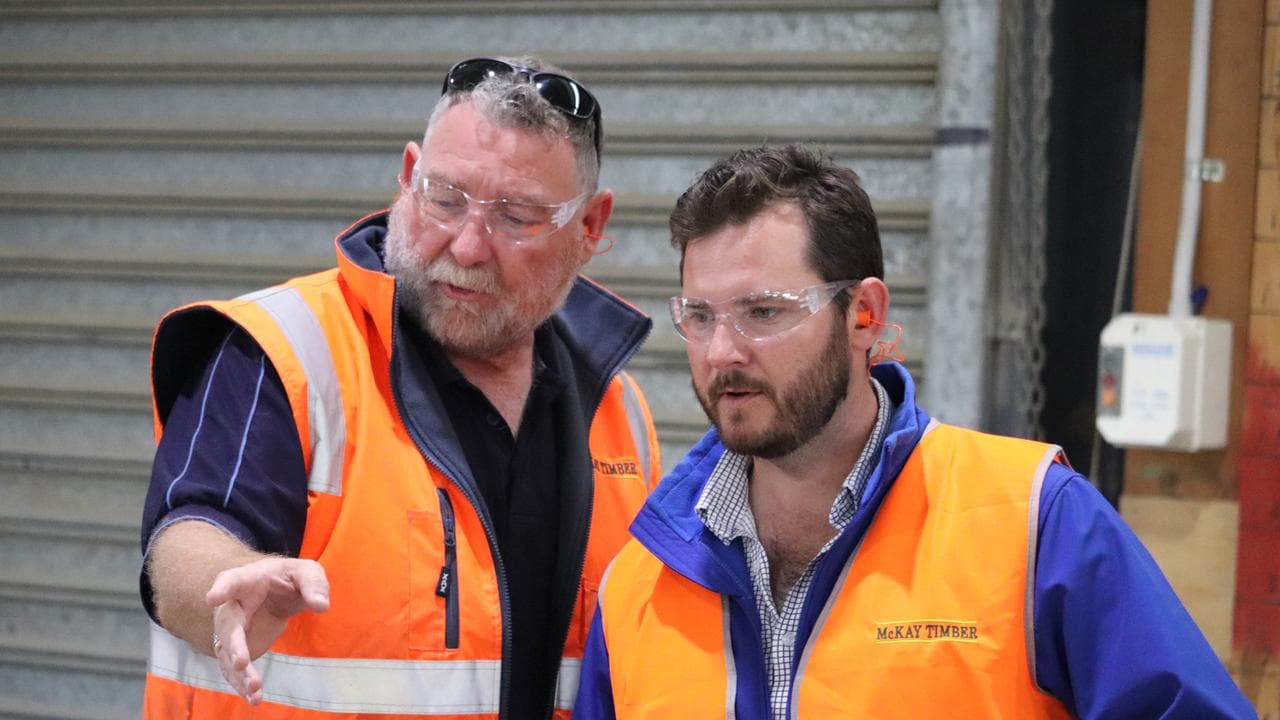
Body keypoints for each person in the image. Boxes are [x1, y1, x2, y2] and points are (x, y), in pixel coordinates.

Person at [573, 144, 1257, 719]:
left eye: (764, 311)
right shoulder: (640, 584)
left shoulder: (1033, 524)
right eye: (700, 316)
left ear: (863, 315)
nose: (723, 351)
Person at [138, 56, 660, 719]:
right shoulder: (287, 350)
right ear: (409, 176)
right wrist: (221, 584)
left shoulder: (620, 412)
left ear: (590, 226)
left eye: (517, 216)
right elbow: (191, 529)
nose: (467, 246)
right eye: (445, 198)